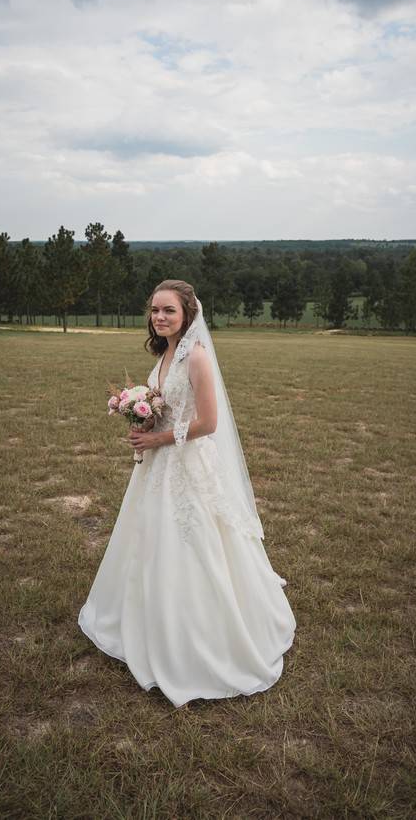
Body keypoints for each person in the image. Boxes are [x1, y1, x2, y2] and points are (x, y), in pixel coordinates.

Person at [78, 280, 296, 708]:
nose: (160, 317)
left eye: (169, 312)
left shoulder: (196, 357)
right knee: (149, 540)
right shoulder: (163, 354)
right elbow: (165, 406)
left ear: (187, 315)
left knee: (193, 541)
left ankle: (199, 634)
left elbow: (209, 423)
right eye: (155, 310)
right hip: (157, 465)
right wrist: (143, 419)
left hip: (186, 465)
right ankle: (145, 618)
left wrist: (158, 440)